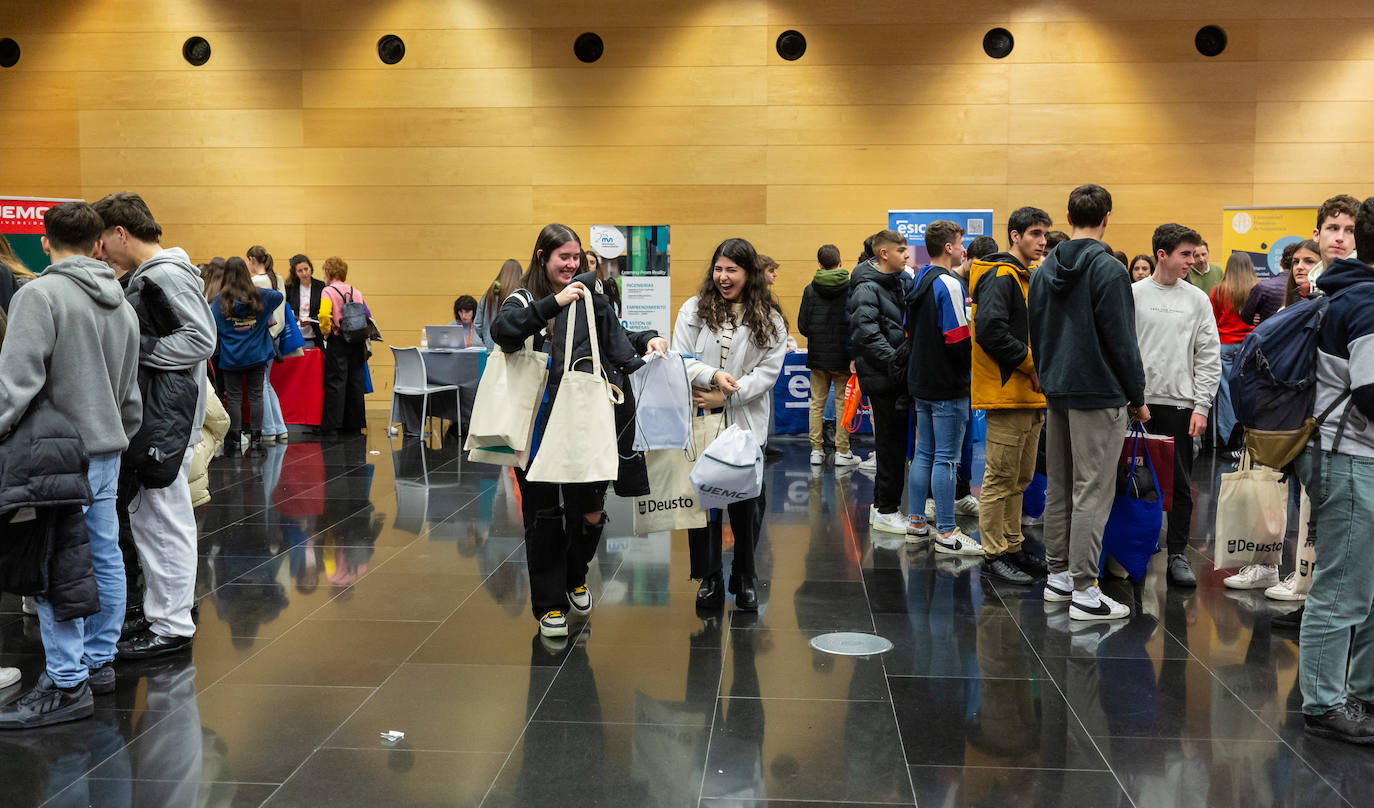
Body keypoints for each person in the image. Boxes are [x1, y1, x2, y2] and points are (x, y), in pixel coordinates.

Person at [0, 201, 141, 728]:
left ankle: (65, 681)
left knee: (56, 561)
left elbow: (15, 385)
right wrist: (115, 437)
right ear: (99, 243)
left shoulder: (38, 295)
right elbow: (130, 396)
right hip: (106, 448)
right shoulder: (121, 304)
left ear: (44, 240)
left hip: (56, 454)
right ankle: (99, 662)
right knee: (104, 553)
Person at [492, 224, 667, 637]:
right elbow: (504, 332)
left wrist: (649, 338)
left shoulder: (590, 297)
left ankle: (575, 575)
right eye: (563, 258)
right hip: (537, 426)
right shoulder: (526, 299)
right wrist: (553, 304)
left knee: (589, 510)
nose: (571, 265)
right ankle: (550, 604)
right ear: (542, 258)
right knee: (544, 514)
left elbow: (616, 336)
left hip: (586, 422)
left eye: (576, 258)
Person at [92, 192, 216, 660]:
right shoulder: (162, 273)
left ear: (120, 233)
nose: (99, 250)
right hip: (168, 418)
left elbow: (201, 339)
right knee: (158, 519)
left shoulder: (163, 275)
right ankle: (166, 612)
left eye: (102, 239)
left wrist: (134, 348)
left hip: (167, 421)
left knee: (163, 520)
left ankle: (170, 625)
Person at [1028, 184, 1147, 621]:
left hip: (1057, 391)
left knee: (1059, 486)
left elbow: (1035, 332)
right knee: (1092, 492)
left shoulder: (1042, 270)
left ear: (1067, 215)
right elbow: (1122, 340)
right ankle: (1085, 590)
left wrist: (1049, 377)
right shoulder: (1110, 270)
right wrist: (1137, 395)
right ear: (1107, 217)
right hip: (1099, 393)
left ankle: (1059, 577)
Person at [1292, 195, 1374, 744]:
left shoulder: (1344, 292)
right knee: (1342, 587)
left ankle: (1362, 692)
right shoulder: (1365, 302)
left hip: (1350, 455)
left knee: (1362, 586)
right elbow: (1371, 394)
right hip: (1349, 458)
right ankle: (1323, 703)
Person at [674, 238, 787, 613]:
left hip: (744, 422)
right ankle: (708, 577)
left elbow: (767, 373)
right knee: (704, 502)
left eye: (732, 270)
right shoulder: (694, 310)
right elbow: (682, 358)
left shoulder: (769, 318)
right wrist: (712, 377)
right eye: (718, 269)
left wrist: (728, 397)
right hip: (701, 419)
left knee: (745, 503)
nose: (723, 277)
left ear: (748, 273)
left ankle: (744, 576)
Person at [1132, 223, 1221, 587]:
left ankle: (1179, 553)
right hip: (1137, 405)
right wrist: (1131, 398)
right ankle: (1134, 547)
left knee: (1181, 484)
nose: (1192, 261)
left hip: (1182, 405)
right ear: (1162, 255)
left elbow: (1208, 355)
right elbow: (1120, 349)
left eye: (1193, 253)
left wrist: (1202, 405)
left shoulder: (1197, 299)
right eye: (1185, 254)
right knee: (1134, 481)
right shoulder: (1132, 293)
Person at [971, 206, 1054, 585]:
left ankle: (1013, 546)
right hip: (1008, 393)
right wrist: (1032, 365)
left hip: (1029, 396)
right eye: (1035, 233)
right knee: (1000, 478)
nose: (1042, 241)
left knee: (1020, 478)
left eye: (1045, 234)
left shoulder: (1026, 277)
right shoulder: (1001, 276)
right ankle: (992, 553)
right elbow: (990, 332)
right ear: (1014, 236)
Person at [905, 221, 981, 556]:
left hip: (920, 379)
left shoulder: (920, 277)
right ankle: (948, 531)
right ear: (948, 247)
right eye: (961, 242)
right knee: (947, 459)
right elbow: (957, 338)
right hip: (947, 383)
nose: (964, 249)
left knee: (924, 453)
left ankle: (917, 523)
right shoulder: (949, 283)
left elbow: (909, 332)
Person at [848, 230, 912, 534]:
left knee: (896, 445)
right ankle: (886, 509)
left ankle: (883, 507)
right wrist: (897, 363)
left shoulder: (900, 282)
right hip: (881, 376)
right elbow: (867, 334)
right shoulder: (866, 288)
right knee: (889, 445)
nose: (907, 256)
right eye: (901, 250)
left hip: (894, 375)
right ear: (884, 254)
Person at [212, 256, 284, 455]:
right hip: (257, 355)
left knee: (233, 398)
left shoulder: (220, 300)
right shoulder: (260, 297)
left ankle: (235, 441)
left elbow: (213, 323)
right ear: (246, 273)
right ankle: (257, 441)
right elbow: (278, 297)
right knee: (256, 396)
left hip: (231, 357)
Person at [798, 243, 857, 466]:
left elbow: (803, 326)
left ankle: (816, 450)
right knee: (842, 403)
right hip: (843, 356)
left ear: (820, 265)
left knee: (816, 404)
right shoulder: (851, 288)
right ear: (840, 263)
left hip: (818, 358)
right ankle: (843, 452)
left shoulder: (810, 289)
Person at [1209, 253, 1259, 451]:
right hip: (1251, 345)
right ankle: (1251, 437)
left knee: (1227, 393)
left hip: (1225, 345)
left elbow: (1211, 321)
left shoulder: (1218, 291)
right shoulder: (1257, 289)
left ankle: (1229, 439)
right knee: (1250, 391)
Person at [317, 256, 369, 437]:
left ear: (328, 273)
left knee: (336, 382)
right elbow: (366, 313)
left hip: (338, 339)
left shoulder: (328, 291)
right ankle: (355, 424)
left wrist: (325, 331)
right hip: (356, 340)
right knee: (355, 381)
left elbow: (324, 315)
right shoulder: (356, 291)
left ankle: (333, 425)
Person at [246, 245, 288, 443]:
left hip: (262, 335)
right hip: (276, 334)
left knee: (261, 383)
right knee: (267, 382)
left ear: (252, 259)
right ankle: (280, 427)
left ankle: (269, 429)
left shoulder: (256, 281)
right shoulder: (277, 279)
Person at [1242, 244, 1300, 326]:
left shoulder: (1262, 287)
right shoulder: (1309, 289)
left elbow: (1246, 317)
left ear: (1280, 261)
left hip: (1267, 334)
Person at [476, 259, 523, 353]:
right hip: (511, 355)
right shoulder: (518, 297)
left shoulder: (487, 296)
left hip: (489, 353)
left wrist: (486, 344)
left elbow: (478, 326)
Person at [284, 254, 326, 347]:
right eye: (300, 271)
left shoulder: (321, 286)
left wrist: (312, 320)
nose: (304, 273)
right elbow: (286, 310)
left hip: (316, 335)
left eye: (306, 269)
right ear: (295, 273)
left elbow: (324, 310)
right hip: (295, 334)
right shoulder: (289, 287)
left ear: (310, 268)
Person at [1285, 238, 1322, 307]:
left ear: (1323, 265)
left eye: (1309, 261)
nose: (1299, 267)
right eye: (1296, 262)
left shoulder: (1332, 304)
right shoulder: (1283, 309)